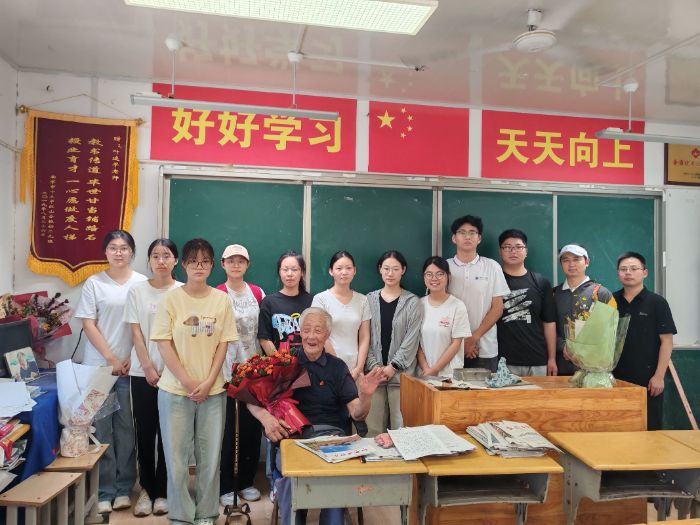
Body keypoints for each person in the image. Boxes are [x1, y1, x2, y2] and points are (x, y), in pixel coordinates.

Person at [249, 307, 384, 525]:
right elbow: (249, 396)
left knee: (334, 480)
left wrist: (366, 396)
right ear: (300, 332)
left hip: (332, 439)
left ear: (327, 335)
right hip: (293, 439)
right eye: (307, 330)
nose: (311, 336)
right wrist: (266, 419)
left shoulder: (337, 367)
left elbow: (357, 413)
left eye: (318, 331)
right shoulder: (285, 361)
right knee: (291, 478)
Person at [152, 238, 238, 525]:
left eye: (204, 262)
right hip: (175, 391)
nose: (198, 267)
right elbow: (163, 343)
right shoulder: (171, 299)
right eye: (192, 261)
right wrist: (188, 382)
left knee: (210, 457)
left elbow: (223, 344)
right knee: (176, 459)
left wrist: (210, 381)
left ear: (212, 265)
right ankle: (181, 515)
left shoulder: (222, 300)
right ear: (183, 264)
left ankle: (206, 513)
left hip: (213, 392)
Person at [74, 230, 147, 514]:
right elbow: (88, 324)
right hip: (98, 369)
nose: (119, 252)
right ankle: (104, 489)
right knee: (101, 428)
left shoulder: (141, 283)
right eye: (113, 248)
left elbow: (144, 326)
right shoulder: (94, 283)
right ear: (105, 252)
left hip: (131, 368)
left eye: (124, 248)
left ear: (132, 252)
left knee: (127, 428)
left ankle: (124, 487)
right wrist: (111, 359)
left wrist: (128, 358)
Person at [125, 238, 181, 517]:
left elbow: (183, 336)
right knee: (145, 433)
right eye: (155, 256)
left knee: (171, 435)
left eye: (166, 255)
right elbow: (136, 332)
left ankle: (164, 490)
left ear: (176, 261)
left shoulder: (183, 291)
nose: (161, 260)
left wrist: (171, 370)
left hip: (174, 374)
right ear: (148, 260)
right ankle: (146, 489)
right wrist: (147, 367)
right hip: (142, 372)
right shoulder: (137, 291)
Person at [257, 250, 313, 499]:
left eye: (294, 269)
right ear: (279, 272)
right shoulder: (269, 302)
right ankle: (276, 482)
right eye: (285, 269)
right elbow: (264, 338)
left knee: (304, 425)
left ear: (302, 272)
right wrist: (283, 365)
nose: (290, 274)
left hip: (308, 374)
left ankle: (305, 477)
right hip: (280, 377)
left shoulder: (312, 301)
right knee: (278, 428)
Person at [216, 244, 265, 505]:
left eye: (241, 261)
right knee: (227, 431)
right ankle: (226, 485)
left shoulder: (257, 292)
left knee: (251, 429)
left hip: (254, 372)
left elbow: (262, 331)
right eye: (231, 261)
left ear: (248, 265)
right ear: (222, 264)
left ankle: (246, 481)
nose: (236, 265)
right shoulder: (216, 293)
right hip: (226, 373)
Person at [613, 252, 676, 430]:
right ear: (618, 274)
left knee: (649, 429)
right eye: (623, 269)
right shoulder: (611, 301)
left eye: (634, 268)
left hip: (648, 380)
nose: (628, 272)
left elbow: (667, 341)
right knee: (618, 427)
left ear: (645, 272)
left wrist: (659, 376)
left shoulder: (657, 303)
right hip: (615, 378)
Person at [365, 251, 422, 436]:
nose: (390, 273)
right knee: (372, 431)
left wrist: (392, 367)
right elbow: (364, 337)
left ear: (403, 270)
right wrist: (375, 367)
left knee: (402, 430)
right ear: (380, 270)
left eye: (395, 269)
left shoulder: (412, 302)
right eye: (386, 268)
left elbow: (411, 340)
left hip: (401, 378)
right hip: (374, 376)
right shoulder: (369, 300)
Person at [447, 215, 509, 372]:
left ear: (479, 238)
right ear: (454, 238)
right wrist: (462, 342)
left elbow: (497, 308)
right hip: (449, 347)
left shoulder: (492, 266)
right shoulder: (444, 267)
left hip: (485, 348)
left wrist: (473, 338)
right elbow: (439, 307)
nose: (467, 237)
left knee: (485, 388)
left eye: (472, 232)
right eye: (462, 232)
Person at [496, 229, 557, 376]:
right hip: (503, 361)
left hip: (537, 360)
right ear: (500, 251)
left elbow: (549, 323)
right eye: (507, 247)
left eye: (518, 247)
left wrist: (552, 358)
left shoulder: (541, 282)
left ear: (526, 251)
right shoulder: (493, 281)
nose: (513, 251)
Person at [553, 243, 616, 375]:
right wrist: (563, 346)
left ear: (587, 262)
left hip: (593, 367)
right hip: (560, 365)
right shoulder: (553, 294)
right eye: (566, 260)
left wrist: (586, 349)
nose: (571, 264)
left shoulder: (601, 293)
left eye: (576, 259)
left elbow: (610, 331)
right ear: (561, 264)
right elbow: (547, 328)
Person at [311, 251, 371, 379]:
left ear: (354, 271)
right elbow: (320, 335)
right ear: (331, 271)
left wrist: (359, 367)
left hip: (355, 369)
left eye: (348, 268)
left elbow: (364, 336)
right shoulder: (321, 299)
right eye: (339, 268)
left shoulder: (363, 300)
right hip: (328, 366)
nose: (344, 272)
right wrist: (339, 367)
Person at [416, 256, 471, 378]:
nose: (434, 278)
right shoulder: (418, 305)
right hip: (423, 373)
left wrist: (435, 369)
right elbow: (416, 343)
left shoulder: (457, 306)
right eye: (429, 274)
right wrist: (426, 369)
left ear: (448, 276)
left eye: (440, 274)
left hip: (449, 375)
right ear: (424, 277)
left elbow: (456, 344)